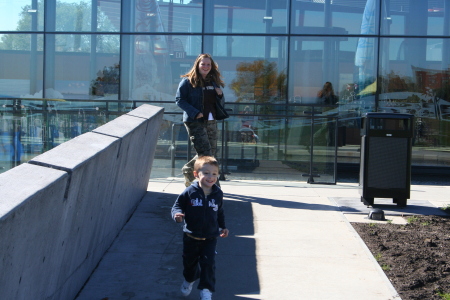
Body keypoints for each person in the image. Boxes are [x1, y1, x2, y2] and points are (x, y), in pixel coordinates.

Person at [171, 156, 229, 300]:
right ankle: (189, 279)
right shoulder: (189, 192)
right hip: (191, 236)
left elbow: (219, 212)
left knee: (208, 264)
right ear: (196, 174)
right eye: (206, 173)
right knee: (189, 264)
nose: (211, 177)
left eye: (214, 174)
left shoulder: (218, 194)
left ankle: (206, 290)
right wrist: (177, 214)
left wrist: (223, 227)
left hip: (210, 237)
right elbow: (177, 206)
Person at [175, 53, 225, 187]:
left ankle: (189, 171)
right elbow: (179, 100)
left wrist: (220, 96)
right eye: (203, 64)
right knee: (206, 154)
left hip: (211, 120)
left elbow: (218, 102)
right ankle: (214, 185)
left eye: (208, 64)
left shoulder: (213, 81)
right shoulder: (188, 81)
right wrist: (195, 112)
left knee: (211, 153)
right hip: (195, 121)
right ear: (197, 65)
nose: (206, 66)